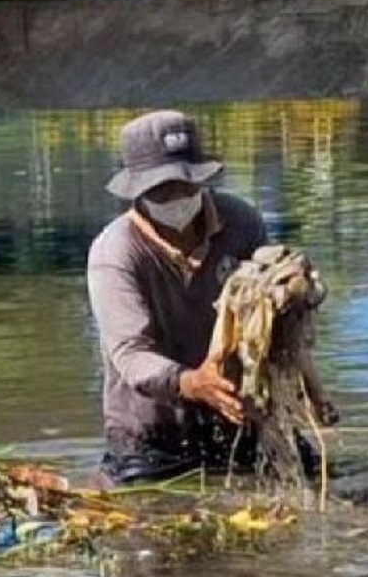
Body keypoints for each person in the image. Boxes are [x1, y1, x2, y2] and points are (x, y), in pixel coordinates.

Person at [87, 109, 314, 486]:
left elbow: (268, 303)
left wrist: (295, 295)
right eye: (163, 190)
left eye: (186, 185)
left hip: (236, 414)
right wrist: (192, 382)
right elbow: (130, 353)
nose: (178, 198)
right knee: (151, 516)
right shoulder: (116, 253)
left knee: (310, 476)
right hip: (153, 432)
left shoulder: (240, 222)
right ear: (139, 192)